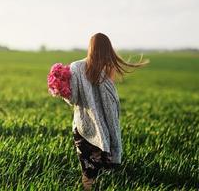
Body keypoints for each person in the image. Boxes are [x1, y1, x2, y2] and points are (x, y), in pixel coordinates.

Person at [63, 33, 149, 190]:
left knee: (88, 174)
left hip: (83, 128)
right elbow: (112, 103)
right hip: (104, 131)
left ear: (90, 47)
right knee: (103, 175)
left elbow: (73, 99)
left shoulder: (76, 67)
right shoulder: (107, 70)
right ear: (107, 49)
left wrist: (62, 91)